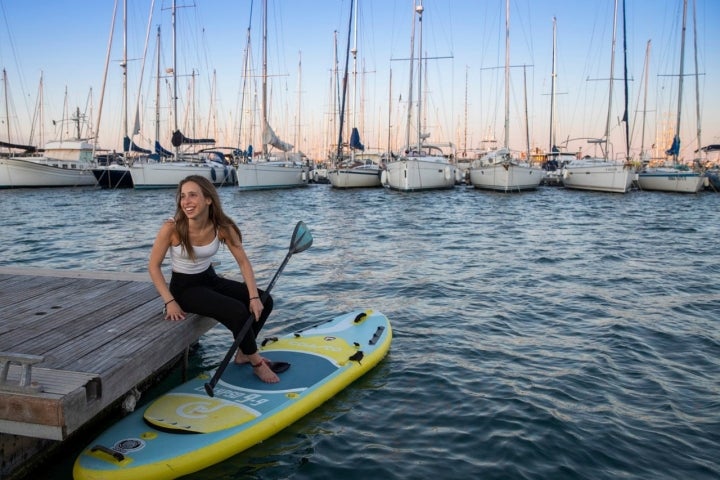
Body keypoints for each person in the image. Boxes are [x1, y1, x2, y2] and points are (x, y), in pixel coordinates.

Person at [148, 175, 282, 383]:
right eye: (183, 196)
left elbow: (244, 262)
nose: (186, 201)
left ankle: (243, 353)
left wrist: (254, 296)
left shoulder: (222, 227)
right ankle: (256, 363)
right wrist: (170, 301)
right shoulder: (172, 228)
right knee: (237, 311)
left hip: (209, 279)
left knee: (265, 300)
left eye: (193, 195)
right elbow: (153, 267)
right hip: (184, 288)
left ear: (208, 199)